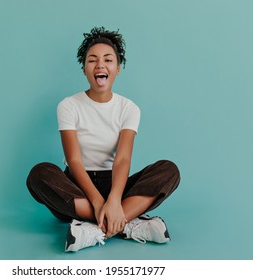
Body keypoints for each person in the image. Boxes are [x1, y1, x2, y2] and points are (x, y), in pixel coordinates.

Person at [26, 27, 180, 252]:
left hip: (116, 185)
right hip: (77, 188)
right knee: (38, 174)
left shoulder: (129, 108)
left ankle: (96, 229)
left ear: (117, 69)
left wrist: (115, 199)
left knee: (169, 170)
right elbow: (74, 160)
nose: (100, 65)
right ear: (84, 69)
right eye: (92, 60)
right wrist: (99, 203)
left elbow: (123, 158)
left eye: (108, 60)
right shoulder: (68, 105)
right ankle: (124, 223)